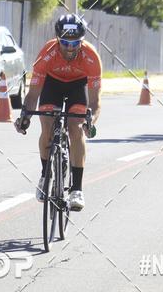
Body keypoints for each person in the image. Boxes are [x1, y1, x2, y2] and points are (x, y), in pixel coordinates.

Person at [14, 13, 102, 212]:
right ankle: (45, 176)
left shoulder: (91, 57)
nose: (70, 48)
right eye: (65, 43)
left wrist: (92, 121)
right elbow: (33, 93)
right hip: (51, 85)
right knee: (47, 124)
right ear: (57, 39)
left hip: (77, 87)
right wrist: (25, 116)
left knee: (76, 128)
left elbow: (95, 100)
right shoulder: (47, 53)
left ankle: (77, 189)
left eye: (75, 43)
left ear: (82, 40)